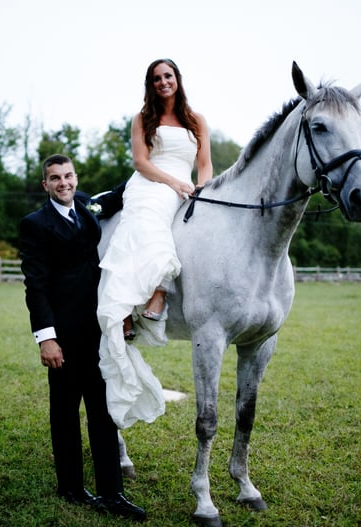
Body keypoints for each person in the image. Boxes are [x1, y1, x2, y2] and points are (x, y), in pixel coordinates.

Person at [19, 154, 146, 521]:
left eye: (69, 176)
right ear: (45, 184)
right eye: (55, 178)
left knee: (102, 412)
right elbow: (36, 287)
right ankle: (71, 487)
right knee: (64, 412)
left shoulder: (87, 206)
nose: (64, 183)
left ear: (76, 177)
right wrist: (46, 338)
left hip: (97, 330)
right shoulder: (35, 224)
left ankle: (111, 493)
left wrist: (150, 165)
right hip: (62, 334)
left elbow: (119, 196)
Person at [96, 59, 213, 429]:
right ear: (150, 84)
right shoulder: (142, 118)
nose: (163, 82)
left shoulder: (197, 120)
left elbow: (205, 164)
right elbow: (141, 162)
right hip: (151, 184)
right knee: (145, 221)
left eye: (168, 76)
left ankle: (157, 291)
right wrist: (173, 183)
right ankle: (147, 297)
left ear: (178, 80)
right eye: (156, 78)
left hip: (186, 186)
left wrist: (200, 189)